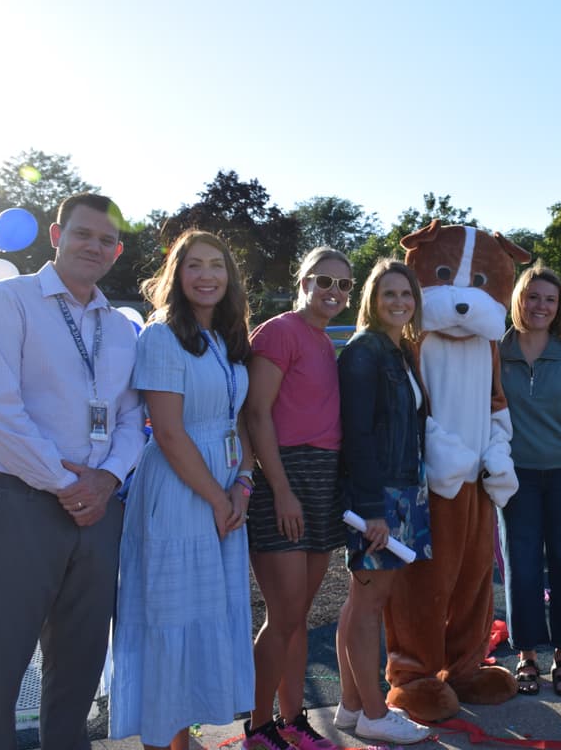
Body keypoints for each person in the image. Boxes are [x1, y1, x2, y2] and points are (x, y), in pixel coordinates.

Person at [0, 193, 145, 749]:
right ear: (57, 234)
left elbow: (133, 417)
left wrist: (107, 479)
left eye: (106, 240)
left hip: (98, 513)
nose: (95, 246)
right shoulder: (8, 301)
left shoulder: (118, 328)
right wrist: (67, 484)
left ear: (116, 251)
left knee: (79, 672)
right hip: (20, 505)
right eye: (84, 234)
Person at [108, 230, 254, 749]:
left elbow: (238, 422)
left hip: (224, 489)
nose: (208, 275)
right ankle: (163, 743)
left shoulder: (228, 338)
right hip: (179, 490)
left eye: (217, 265)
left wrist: (241, 484)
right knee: (171, 616)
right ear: (177, 273)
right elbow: (167, 431)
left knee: (206, 615)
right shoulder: (162, 336)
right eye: (195, 265)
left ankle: (183, 741)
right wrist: (216, 498)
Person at [243, 246, 351, 750]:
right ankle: (258, 726)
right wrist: (281, 488)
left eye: (343, 285)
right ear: (302, 281)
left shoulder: (324, 342)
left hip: (322, 478)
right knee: (282, 614)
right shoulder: (279, 331)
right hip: (282, 478)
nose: (333, 291)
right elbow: (257, 413)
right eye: (323, 280)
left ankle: (291, 720)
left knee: (297, 616)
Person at [333, 260, 432, 745]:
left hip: (402, 488)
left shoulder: (399, 351)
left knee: (363, 600)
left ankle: (352, 708)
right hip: (379, 495)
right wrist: (371, 507)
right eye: (389, 293)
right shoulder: (363, 352)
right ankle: (375, 711)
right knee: (370, 601)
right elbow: (358, 435)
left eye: (406, 294)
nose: (399, 302)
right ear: (372, 299)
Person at [498, 265, 561, 697]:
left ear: (559, 306)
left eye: (551, 299)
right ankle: (526, 656)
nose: (541, 305)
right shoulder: (496, 350)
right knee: (520, 567)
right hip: (515, 477)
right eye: (533, 296)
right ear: (519, 299)